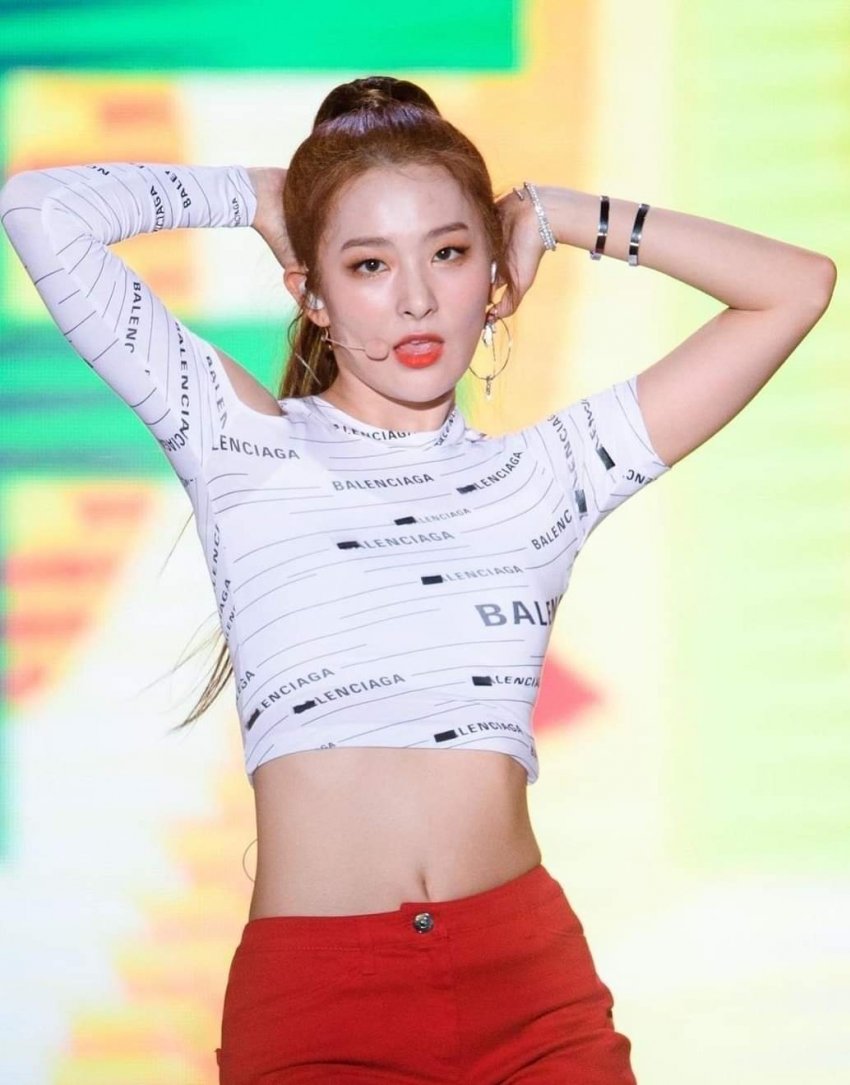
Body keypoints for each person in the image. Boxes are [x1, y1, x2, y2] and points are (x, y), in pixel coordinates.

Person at [0, 75, 835, 1084]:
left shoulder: (545, 474)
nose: (415, 299)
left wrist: (556, 214)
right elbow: (38, 209)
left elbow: (796, 283)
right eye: (367, 263)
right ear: (310, 292)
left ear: (494, 274)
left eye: (448, 252)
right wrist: (260, 195)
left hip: (531, 992)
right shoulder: (240, 444)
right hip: (322, 1004)